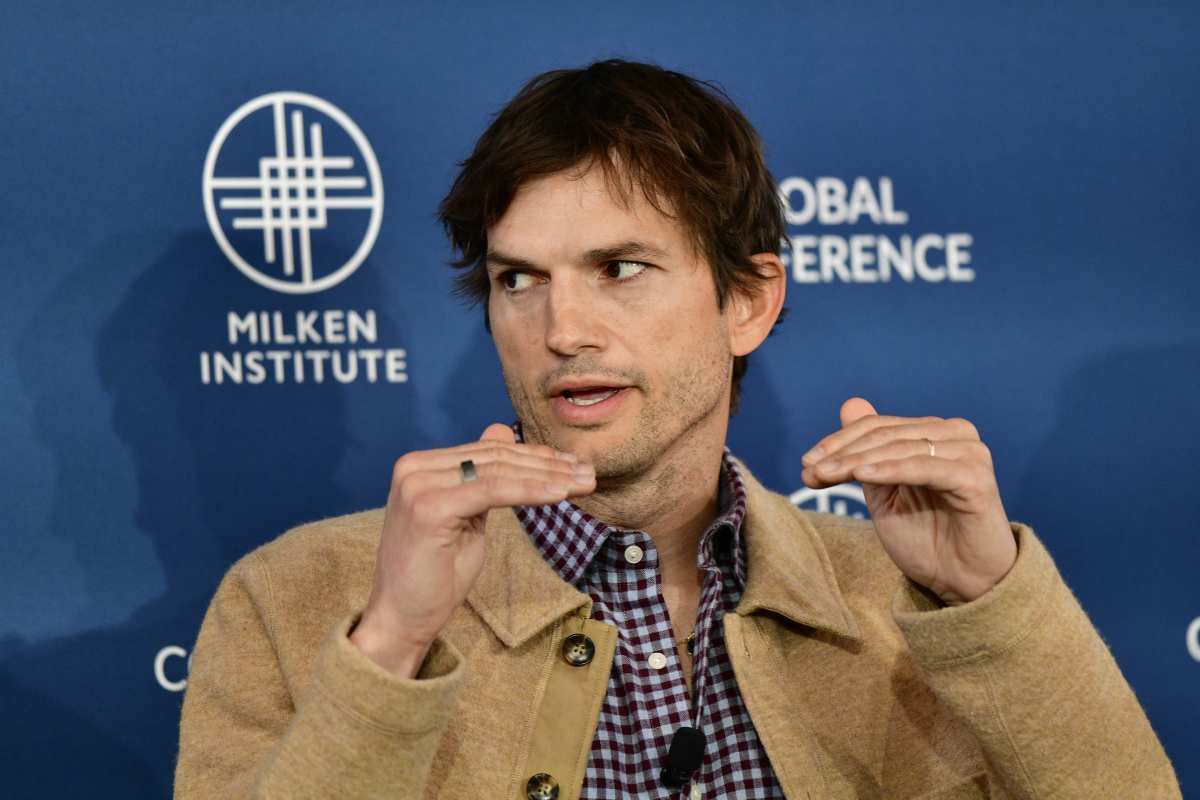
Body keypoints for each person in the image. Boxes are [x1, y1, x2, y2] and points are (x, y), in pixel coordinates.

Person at [174, 60, 1180, 799]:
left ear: (748, 301)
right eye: (519, 279)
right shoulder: (298, 602)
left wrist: (988, 603)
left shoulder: (904, 603)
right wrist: (393, 643)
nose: (561, 330)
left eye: (619, 269)